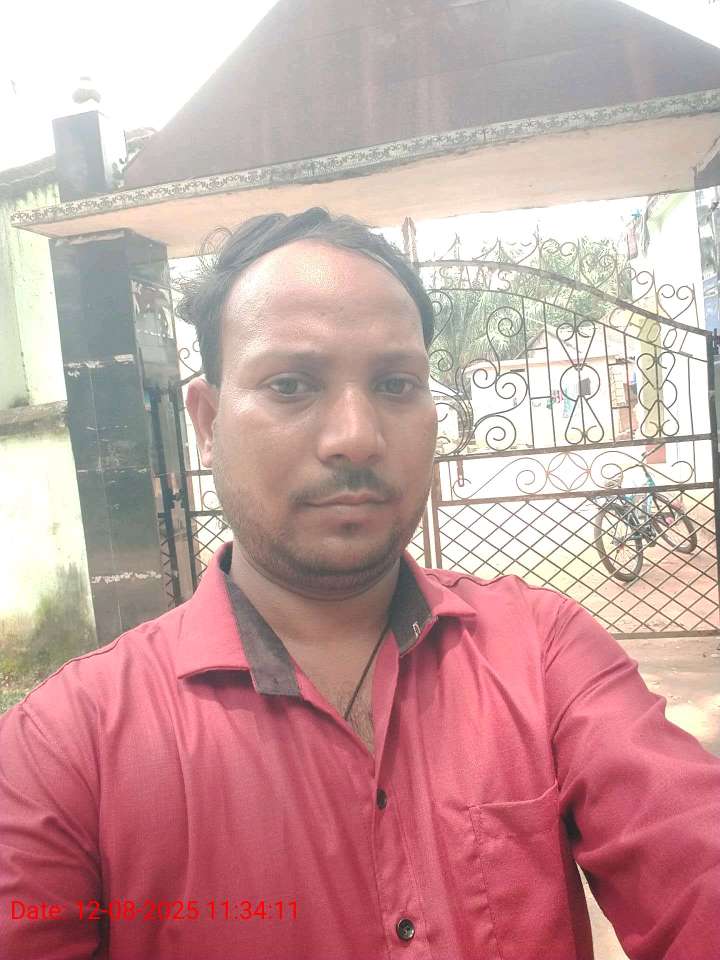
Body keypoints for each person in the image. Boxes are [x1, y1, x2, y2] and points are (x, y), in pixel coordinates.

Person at [1, 208, 718, 960]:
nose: (356, 437)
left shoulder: (542, 653)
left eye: (396, 383)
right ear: (207, 424)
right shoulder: (68, 750)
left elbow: (689, 852)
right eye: (290, 385)